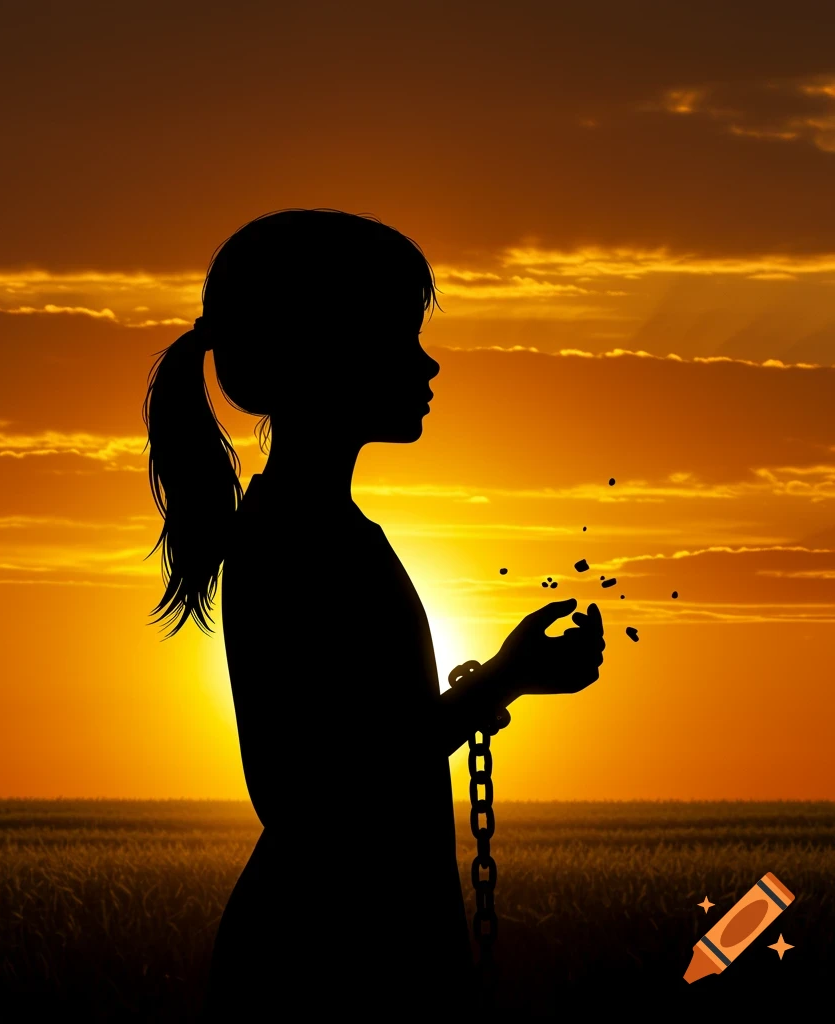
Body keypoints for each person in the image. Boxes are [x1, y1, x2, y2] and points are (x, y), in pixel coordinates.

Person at [141, 208, 606, 1020]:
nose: (428, 363)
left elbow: (368, 744)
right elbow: (308, 792)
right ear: (330, 353)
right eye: (401, 336)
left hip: (340, 946)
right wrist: (502, 680)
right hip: (322, 969)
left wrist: (509, 681)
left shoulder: (321, 530)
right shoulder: (295, 540)